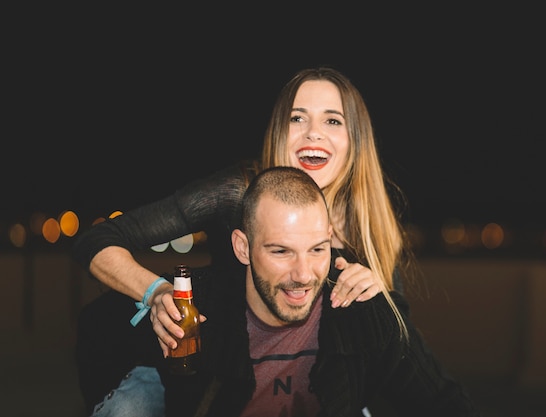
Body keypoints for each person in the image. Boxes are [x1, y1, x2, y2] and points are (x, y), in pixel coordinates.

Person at [74, 66, 423, 415]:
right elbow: (98, 239)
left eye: (333, 121)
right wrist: (157, 292)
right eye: (297, 118)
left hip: (306, 379)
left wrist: (378, 292)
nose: (314, 133)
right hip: (202, 372)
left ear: (355, 138)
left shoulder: (368, 216)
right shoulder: (238, 191)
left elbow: (400, 350)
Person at [157, 165, 480, 416]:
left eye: (317, 249)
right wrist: (151, 295)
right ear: (243, 248)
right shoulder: (192, 307)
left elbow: (445, 404)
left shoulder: (360, 308)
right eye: (281, 252)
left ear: (329, 239)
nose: (303, 275)